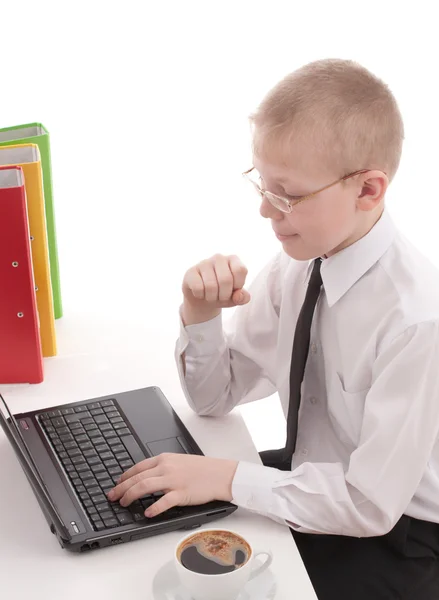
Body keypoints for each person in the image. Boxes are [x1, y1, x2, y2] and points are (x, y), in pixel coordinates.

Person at [109, 58, 439, 598]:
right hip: (310, 478)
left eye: (287, 194)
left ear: (368, 190)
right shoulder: (299, 265)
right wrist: (201, 313)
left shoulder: (417, 321)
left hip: (396, 532)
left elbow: (370, 504)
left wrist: (225, 478)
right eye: (262, 185)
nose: (265, 209)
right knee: (146, 528)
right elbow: (215, 396)